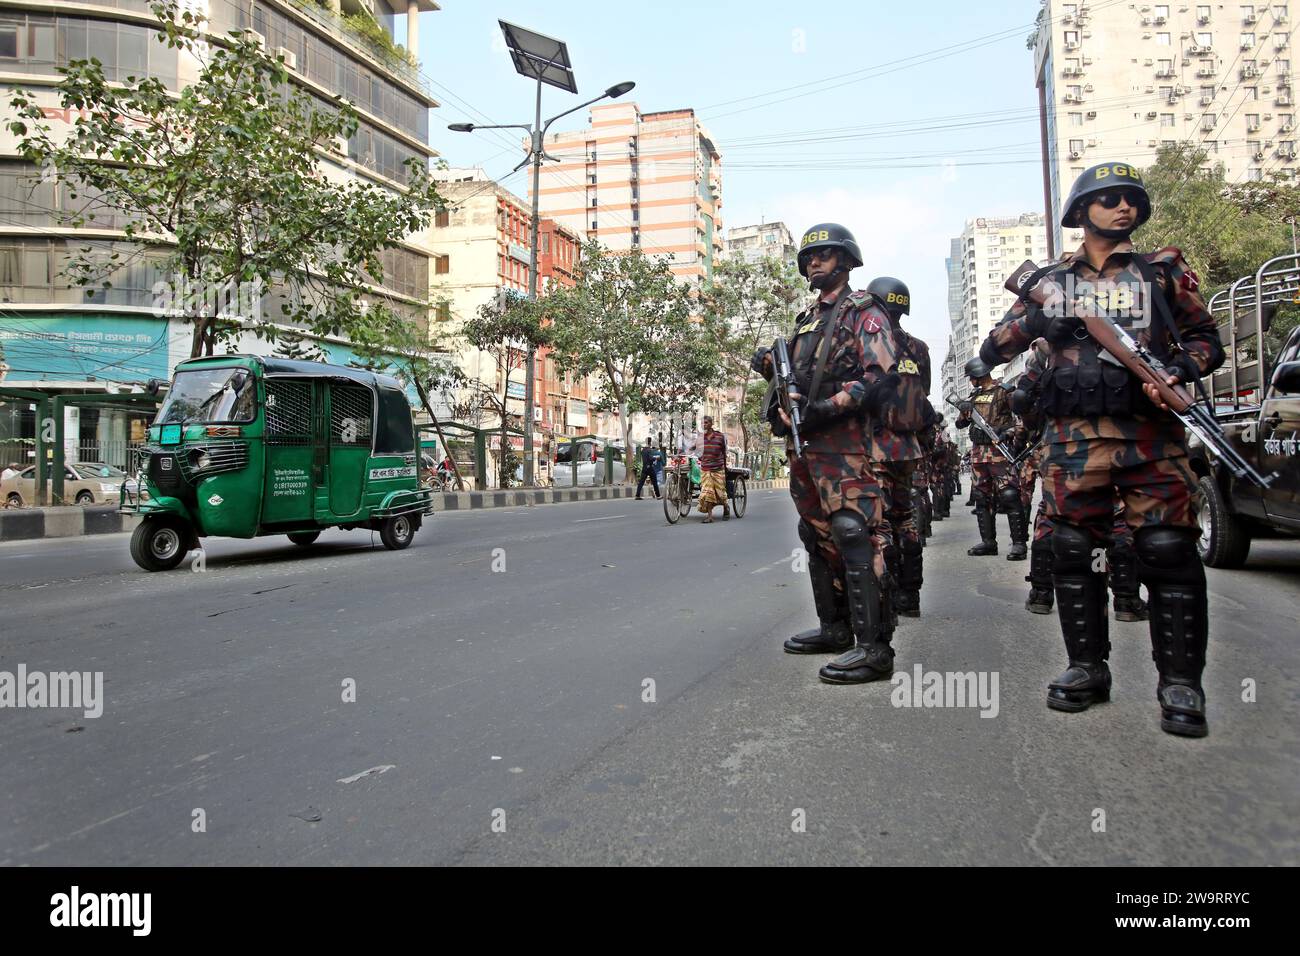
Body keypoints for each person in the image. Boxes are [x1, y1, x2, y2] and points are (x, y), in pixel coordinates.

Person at [980, 161, 1224, 737]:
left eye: (1130, 199)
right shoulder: (1053, 280)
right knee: (1071, 548)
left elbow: (1204, 336)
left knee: (1168, 548)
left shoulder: (1161, 272)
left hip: (1149, 435)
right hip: (1071, 440)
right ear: (1081, 212)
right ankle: (1087, 667)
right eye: (1108, 199)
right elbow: (1001, 340)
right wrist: (1041, 318)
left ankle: (1180, 684)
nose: (1122, 207)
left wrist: (1182, 370)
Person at [753, 222, 909, 685]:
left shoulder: (864, 311)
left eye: (824, 254)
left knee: (853, 531)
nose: (814, 262)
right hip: (805, 444)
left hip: (844, 444)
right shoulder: (805, 321)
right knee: (815, 532)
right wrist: (781, 398)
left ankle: (874, 648)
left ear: (845, 260)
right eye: (809, 257)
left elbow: (880, 375)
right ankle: (835, 627)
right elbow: (796, 383)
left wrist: (827, 407)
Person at [863, 275, 934, 618]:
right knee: (906, 519)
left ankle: (886, 600)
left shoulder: (872, 343)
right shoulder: (919, 348)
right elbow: (925, 397)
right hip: (908, 449)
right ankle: (911, 597)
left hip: (875, 447)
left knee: (878, 523)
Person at [955, 356, 1026, 560]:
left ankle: (1019, 544)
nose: (970, 381)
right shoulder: (974, 396)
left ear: (978, 375)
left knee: (1010, 496)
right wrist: (964, 410)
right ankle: (988, 542)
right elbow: (961, 424)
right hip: (979, 453)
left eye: (971, 377)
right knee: (981, 497)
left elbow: (1020, 420)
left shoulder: (1004, 391)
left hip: (999, 451)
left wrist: (1009, 433)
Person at [695, 416, 729, 522]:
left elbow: (724, 452)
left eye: (706, 423)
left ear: (711, 424)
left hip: (718, 469)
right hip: (705, 469)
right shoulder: (700, 438)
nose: (703, 425)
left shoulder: (720, 436)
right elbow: (697, 451)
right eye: (702, 423)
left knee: (721, 493)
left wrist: (725, 466)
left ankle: (726, 506)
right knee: (707, 492)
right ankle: (710, 516)